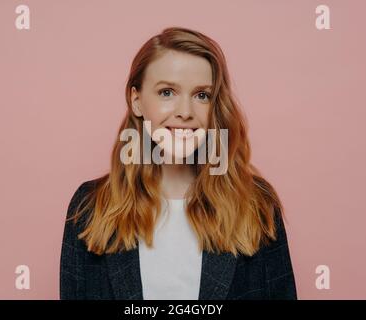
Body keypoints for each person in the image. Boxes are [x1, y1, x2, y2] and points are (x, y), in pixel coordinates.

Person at [60, 26, 297, 300]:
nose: (185, 112)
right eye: (167, 92)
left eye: (202, 95)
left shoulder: (257, 203)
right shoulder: (89, 206)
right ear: (137, 101)